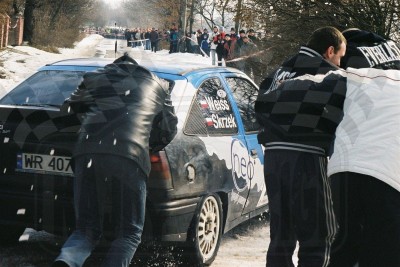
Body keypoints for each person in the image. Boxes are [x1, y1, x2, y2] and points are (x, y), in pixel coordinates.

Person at [52, 53, 178, 267]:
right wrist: (146, 146)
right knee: (129, 232)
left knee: (86, 229)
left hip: (87, 153)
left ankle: (67, 261)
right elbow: (169, 128)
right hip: (130, 157)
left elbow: (66, 112)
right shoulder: (158, 84)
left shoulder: (94, 78)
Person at [254, 26, 347, 267]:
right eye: (339, 57)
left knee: (281, 238)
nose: (340, 63)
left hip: (274, 158)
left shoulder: (281, 70)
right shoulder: (331, 75)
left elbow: (260, 106)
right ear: (329, 51)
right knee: (318, 236)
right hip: (308, 157)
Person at [327, 29, 400, 267]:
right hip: (389, 169)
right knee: (384, 247)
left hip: (346, 165)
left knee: (346, 242)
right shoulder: (394, 65)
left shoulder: (347, 69)